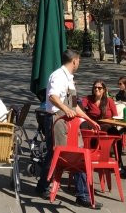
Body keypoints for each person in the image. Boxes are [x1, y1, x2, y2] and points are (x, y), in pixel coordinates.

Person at [36, 49, 102, 209]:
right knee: (61, 155)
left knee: (73, 155)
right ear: (75, 60)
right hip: (57, 120)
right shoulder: (58, 76)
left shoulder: (70, 79)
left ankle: (79, 194)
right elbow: (52, 96)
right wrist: (66, 110)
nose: (79, 63)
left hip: (70, 123)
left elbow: (74, 105)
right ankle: (78, 194)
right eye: (78, 61)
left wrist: (88, 119)